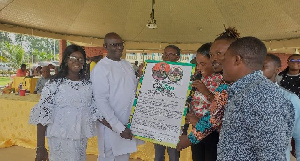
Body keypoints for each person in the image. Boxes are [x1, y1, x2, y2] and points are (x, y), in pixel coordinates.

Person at [218, 36, 294, 160]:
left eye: (225, 59)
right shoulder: (244, 92)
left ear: (237, 60)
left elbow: (272, 156)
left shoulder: (262, 96)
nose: (222, 65)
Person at [176, 27, 240, 161]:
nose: (214, 59)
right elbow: (216, 113)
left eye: (219, 53)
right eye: (212, 55)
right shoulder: (225, 83)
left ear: (237, 56)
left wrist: (188, 139)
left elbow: (216, 116)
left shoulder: (241, 85)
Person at [29, 45, 95, 161]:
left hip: (79, 139)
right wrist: (40, 147)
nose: (77, 62)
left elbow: (95, 110)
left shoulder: (88, 86)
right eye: (73, 58)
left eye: (80, 59)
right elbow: (43, 115)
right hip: (58, 138)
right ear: (65, 60)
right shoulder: (54, 84)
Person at [91, 32, 142, 161]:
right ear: (105, 46)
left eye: (120, 44)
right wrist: (118, 127)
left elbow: (134, 90)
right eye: (114, 45)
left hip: (128, 125)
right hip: (111, 128)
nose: (119, 48)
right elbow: (101, 101)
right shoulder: (101, 69)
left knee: (124, 157)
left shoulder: (127, 65)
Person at [263, 53, 300, 160]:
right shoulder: (242, 96)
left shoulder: (290, 99)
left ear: (276, 69)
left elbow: (298, 136)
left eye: (263, 66)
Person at [153, 44, 181, 161]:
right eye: (165, 54)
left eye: (170, 54)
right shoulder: (156, 73)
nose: (166, 57)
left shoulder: (185, 74)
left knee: (173, 155)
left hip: (175, 120)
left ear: (178, 57)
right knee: (158, 154)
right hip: (158, 118)